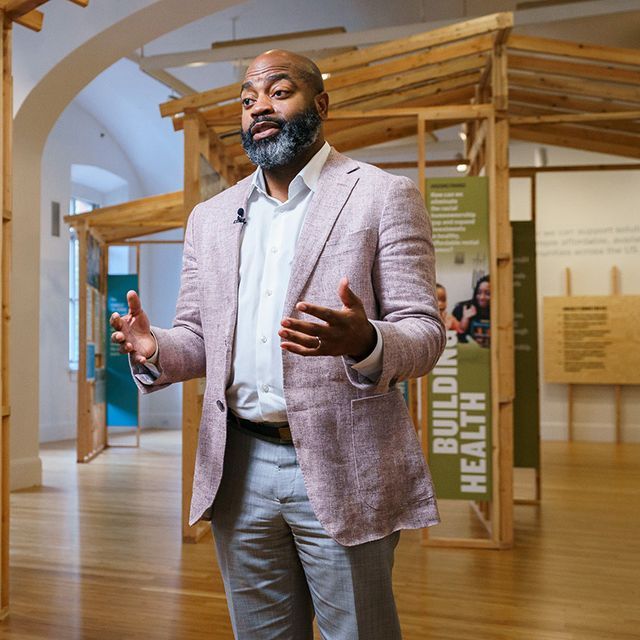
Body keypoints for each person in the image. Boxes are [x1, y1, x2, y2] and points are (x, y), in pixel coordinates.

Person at [110, 49, 445, 640]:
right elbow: (198, 337)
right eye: (247, 100)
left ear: (320, 105)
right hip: (238, 467)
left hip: (346, 463)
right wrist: (155, 349)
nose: (259, 107)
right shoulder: (211, 218)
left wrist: (365, 339)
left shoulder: (382, 195)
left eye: (279, 92)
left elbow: (424, 331)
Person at [453, 275, 490, 347]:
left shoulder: (500, 312)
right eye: (479, 293)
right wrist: (465, 318)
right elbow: (455, 339)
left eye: (488, 293)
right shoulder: (462, 309)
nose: (482, 297)